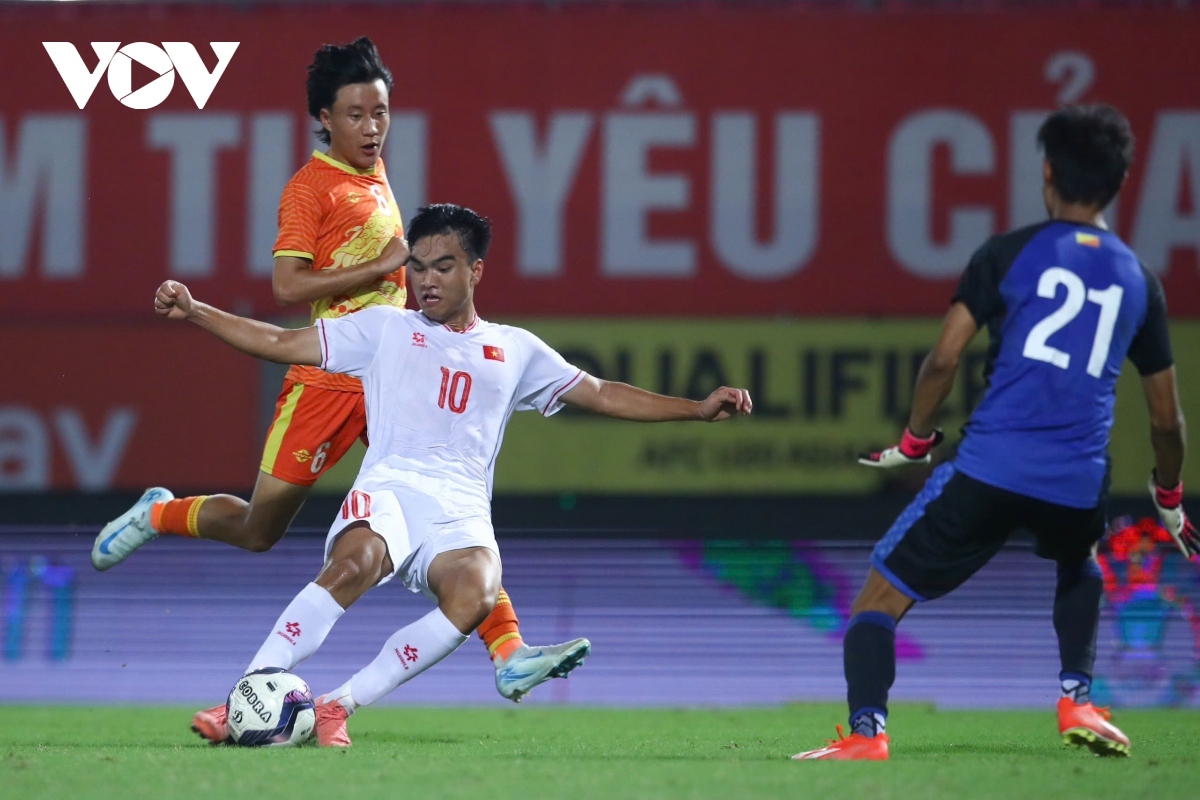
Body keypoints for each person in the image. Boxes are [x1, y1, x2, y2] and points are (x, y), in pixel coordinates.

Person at [91, 37, 589, 718]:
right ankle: (158, 511)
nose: (372, 127)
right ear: (324, 118)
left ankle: (508, 653)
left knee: (447, 504)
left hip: (389, 374)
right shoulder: (309, 187)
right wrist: (382, 266)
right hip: (328, 382)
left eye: (381, 112)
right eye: (356, 115)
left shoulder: (377, 172)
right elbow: (288, 283)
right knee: (259, 529)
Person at [148, 203, 753, 745]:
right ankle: (245, 697)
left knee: (478, 589)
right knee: (354, 563)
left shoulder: (516, 349)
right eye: (417, 266)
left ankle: (338, 706)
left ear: (476, 271)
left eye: (443, 266)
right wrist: (196, 311)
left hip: (460, 513)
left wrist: (695, 409)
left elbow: (602, 394)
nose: (426, 280)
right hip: (388, 491)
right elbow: (280, 341)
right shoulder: (386, 329)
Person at [793, 104, 1197, 761]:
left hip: (989, 468)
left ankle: (867, 735)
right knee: (1078, 560)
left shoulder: (1009, 255)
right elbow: (1166, 417)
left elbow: (945, 358)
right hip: (1075, 479)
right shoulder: (1138, 283)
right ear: (1120, 183)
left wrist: (917, 439)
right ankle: (1079, 698)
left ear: (1046, 174)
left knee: (878, 597)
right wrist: (1170, 496)